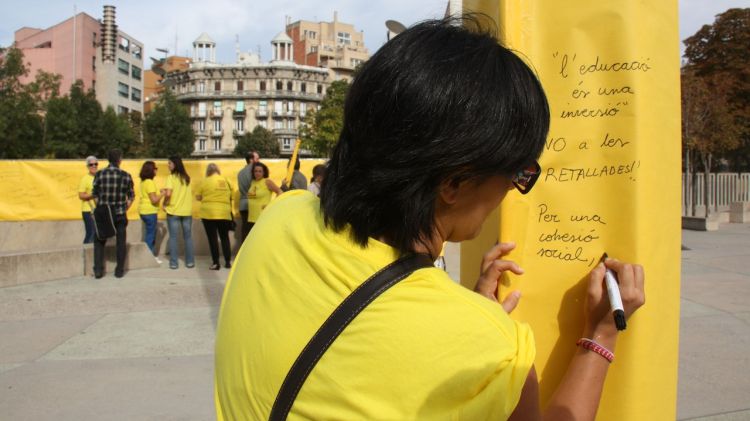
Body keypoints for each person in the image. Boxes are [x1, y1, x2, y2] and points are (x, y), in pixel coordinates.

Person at [215, 17, 645, 420]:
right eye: (517, 172)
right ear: (455, 183)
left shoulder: (281, 216)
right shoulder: (493, 349)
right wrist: (601, 336)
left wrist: (461, 313)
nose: (514, 189)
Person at [91, 149, 134, 278]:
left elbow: (95, 193)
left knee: (99, 240)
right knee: (121, 241)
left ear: (108, 159)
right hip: (120, 213)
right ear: (119, 160)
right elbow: (131, 196)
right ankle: (119, 270)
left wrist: (100, 206)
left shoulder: (100, 174)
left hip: (104, 213)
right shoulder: (126, 175)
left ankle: (98, 270)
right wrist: (125, 207)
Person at [196, 163, 233, 270]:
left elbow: (198, 197)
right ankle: (227, 262)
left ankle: (216, 263)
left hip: (208, 214)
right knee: (225, 237)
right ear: (218, 170)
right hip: (224, 213)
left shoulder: (204, 181)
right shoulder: (226, 180)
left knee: (213, 239)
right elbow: (232, 194)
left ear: (208, 171)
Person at [163, 156, 194, 270]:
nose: (168, 165)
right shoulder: (187, 178)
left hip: (173, 211)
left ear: (175, 164)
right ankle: (190, 262)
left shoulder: (171, 177)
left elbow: (168, 194)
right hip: (187, 212)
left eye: (169, 163)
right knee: (188, 237)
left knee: (173, 238)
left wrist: (164, 204)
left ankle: (174, 263)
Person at [246, 162, 281, 234]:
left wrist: (272, 205)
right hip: (251, 217)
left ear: (264, 172)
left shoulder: (267, 181)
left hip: (262, 216)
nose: (257, 173)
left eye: (260, 171)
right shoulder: (253, 182)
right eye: (255, 171)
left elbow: (280, 192)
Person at [138, 161, 163, 260]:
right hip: (150, 211)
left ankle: (150, 255)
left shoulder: (143, 182)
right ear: (151, 170)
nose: (156, 171)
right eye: (155, 169)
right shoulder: (150, 182)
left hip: (143, 210)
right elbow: (154, 200)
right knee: (151, 235)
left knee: (149, 233)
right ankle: (149, 257)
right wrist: (162, 194)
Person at [237, 150, 260, 241]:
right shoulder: (255, 171)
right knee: (255, 231)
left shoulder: (240, 173)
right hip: (253, 204)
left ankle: (243, 252)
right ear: (251, 160)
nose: (259, 161)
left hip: (243, 204)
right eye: (257, 159)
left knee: (245, 230)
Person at [78, 155, 98, 244]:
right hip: (88, 210)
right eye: (91, 164)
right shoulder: (85, 179)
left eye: (95, 164)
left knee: (97, 234)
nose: (94, 166)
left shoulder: (99, 177)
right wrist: (93, 194)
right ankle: (84, 254)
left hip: (98, 210)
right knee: (91, 233)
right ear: (88, 166)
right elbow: (81, 195)